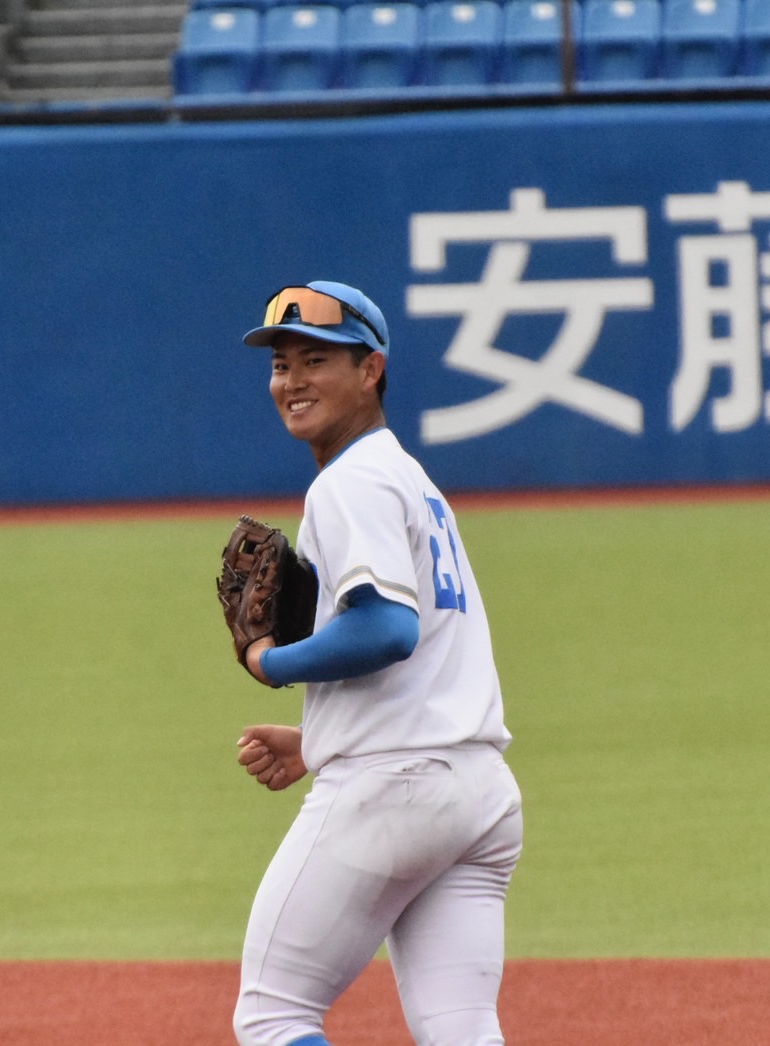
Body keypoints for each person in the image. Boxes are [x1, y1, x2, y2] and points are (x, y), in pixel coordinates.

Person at [230, 281, 524, 1046]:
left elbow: (389, 630)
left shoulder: (349, 483)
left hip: (395, 792)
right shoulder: (409, 479)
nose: (291, 381)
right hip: (478, 796)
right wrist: (318, 736)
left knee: (273, 1013)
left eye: (316, 360)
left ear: (372, 370)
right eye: (280, 365)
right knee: (460, 1030)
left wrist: (273, 661)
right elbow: (427, 648)